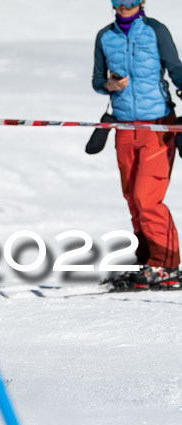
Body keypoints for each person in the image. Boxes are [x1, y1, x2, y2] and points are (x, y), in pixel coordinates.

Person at [92, 0, 182, 289]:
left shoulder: (156, 31)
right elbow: (96, 80)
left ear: (142, 3)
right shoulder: (105, 36)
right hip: (123, 127)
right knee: (132, 197)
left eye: (130, 1)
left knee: (148, 197)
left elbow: (176, 70)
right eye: (118, 1)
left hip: (157, 126)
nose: (124, 6)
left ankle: (167, 264)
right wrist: (109, 85)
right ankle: (147, 260)